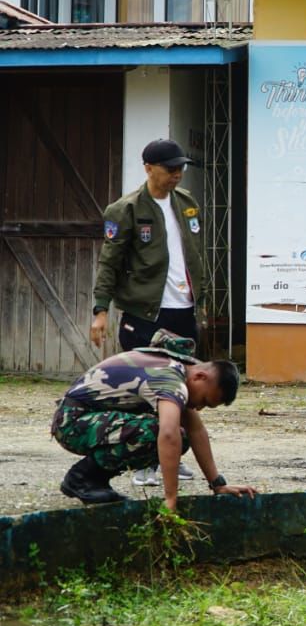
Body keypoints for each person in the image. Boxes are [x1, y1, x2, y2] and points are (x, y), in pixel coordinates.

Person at [90, 138, 205, 488]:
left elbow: (191, 254)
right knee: (146, 387)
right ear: (148, 168)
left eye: (180, 168)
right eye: (170, 169)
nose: (177, 175)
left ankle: (174, 455)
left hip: (183, 309)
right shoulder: (125, 210)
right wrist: (100, 311)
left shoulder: (186, 203)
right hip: (145, 312)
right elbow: (109, 263)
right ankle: (143, 461)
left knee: (183, 387)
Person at [51, 329, 256, 509]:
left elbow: (196, 431)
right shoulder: (170, 379)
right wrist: (171, 499)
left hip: (86, 418)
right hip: (72, 421)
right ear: (200, 377)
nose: (199, 407)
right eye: (203, 400)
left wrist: (218, 484)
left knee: (181, 435)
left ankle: (95, 480)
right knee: (156, 432)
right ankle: (81, 479)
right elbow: (168, 434)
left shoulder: (180, 369)